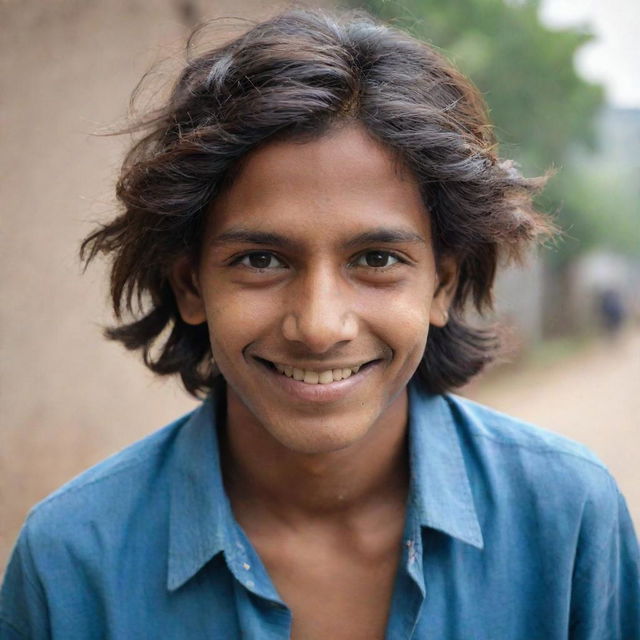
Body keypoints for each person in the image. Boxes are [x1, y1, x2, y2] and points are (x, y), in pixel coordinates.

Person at [1, 8, 638, 639]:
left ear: (442, 283)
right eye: (260, 260)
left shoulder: (567, 518)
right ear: (191, 285)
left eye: (377, 259)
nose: (319, 325)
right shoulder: (73, 563)